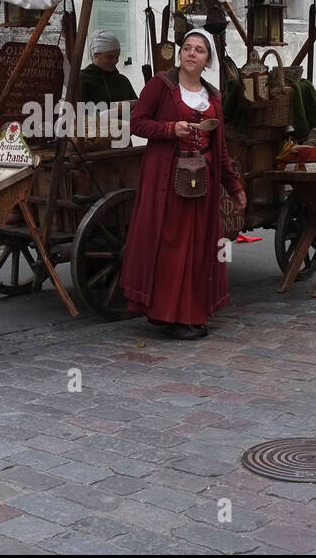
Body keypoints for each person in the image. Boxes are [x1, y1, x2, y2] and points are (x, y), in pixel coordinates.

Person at [120, 29, 245, 340]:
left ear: (207, 59)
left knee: (199, 249)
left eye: (199, 50)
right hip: (167, 183)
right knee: (170, 246)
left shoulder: (213, 97)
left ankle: (190, 315)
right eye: (187, 48)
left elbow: (222, 148)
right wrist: (169, 129)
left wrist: (235, 186)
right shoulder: (161, 86)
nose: (191, 53)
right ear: (180, 54)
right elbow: (137, 122)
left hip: (202, 183)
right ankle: (167, 314)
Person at [79, 30, 138, 106]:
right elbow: (82, 115)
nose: (115, 61)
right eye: (109, 57)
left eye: (117, 56)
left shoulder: (123, 81)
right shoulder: (82, 80)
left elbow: (137, 111)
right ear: (96, 55)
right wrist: (117, 109)